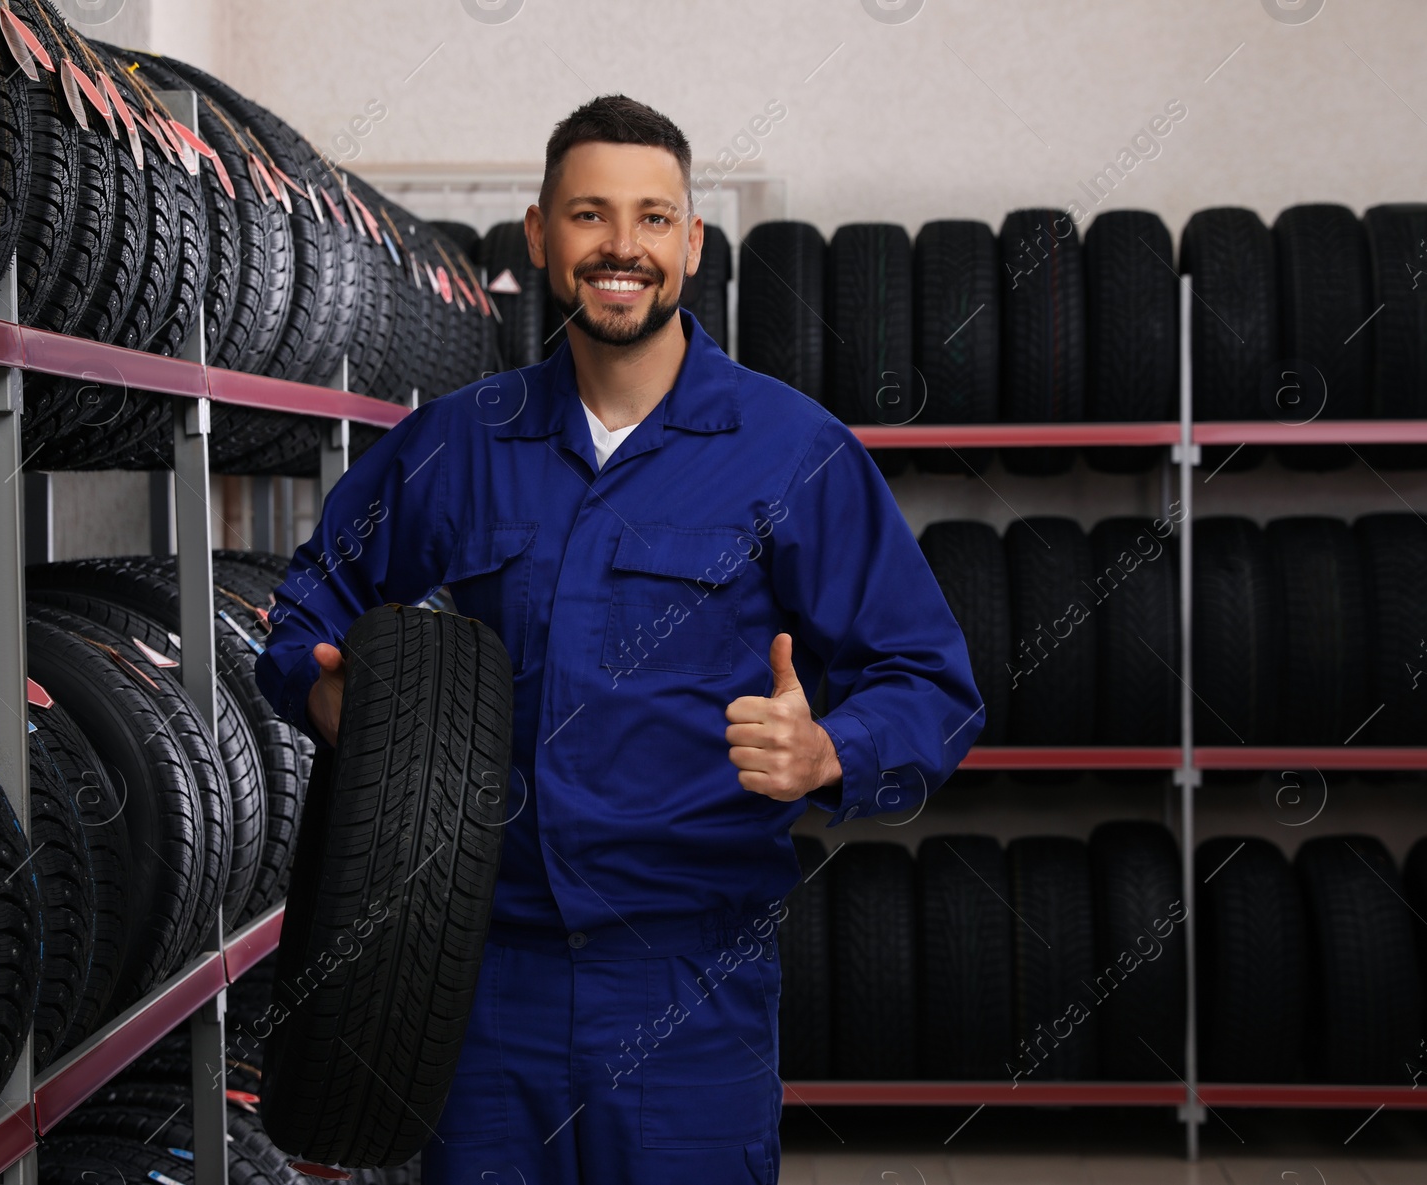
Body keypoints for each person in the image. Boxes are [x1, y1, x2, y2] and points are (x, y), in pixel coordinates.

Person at [254, 93, 985, 1185]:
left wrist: (829, 753)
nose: (621, 247)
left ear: (691, 245)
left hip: (687, 976)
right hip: (478, 970)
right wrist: (319, 694)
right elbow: (310, 597)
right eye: (590, 215)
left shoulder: (793, 451)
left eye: (652, 219)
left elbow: (930, 682)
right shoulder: (464, 441)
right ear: (541, 236)